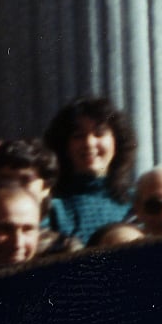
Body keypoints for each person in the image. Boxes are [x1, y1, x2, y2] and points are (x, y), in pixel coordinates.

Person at [43, 95, 137, 244]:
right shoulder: (52, 206)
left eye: (99, 133)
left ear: (117, 141)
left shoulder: (136, 201)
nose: (89, 143)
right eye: (78, 136)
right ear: (64, 146)